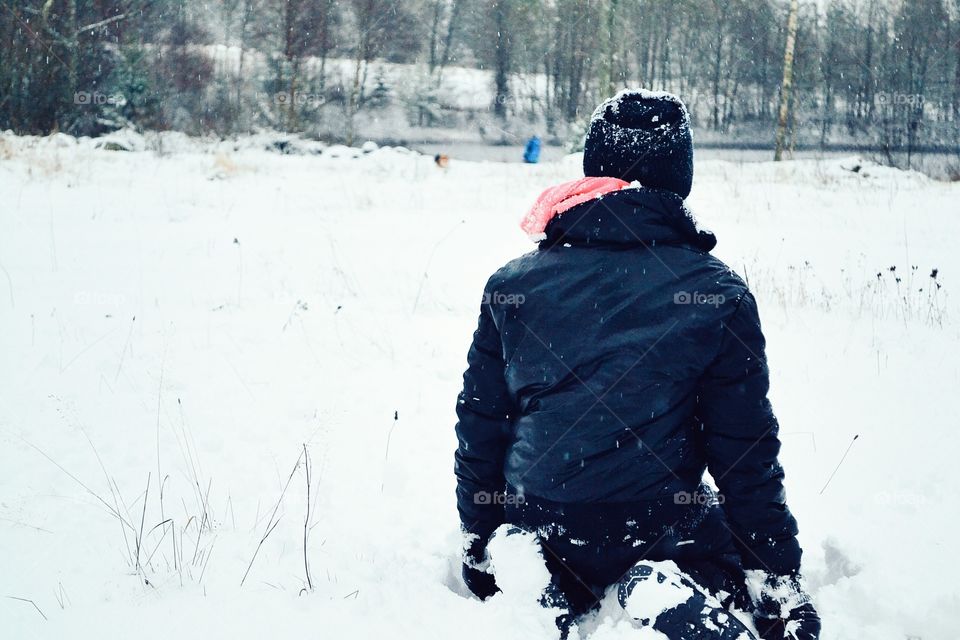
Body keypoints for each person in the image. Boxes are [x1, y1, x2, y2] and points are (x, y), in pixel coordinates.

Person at [453, 89, 820, 639]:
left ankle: (536, 581)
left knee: (528, 544)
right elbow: (742, 449)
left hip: (543, 520)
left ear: (593, 170)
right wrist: (777, 580)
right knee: (710, 542)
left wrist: (479, 540)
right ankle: (659, 581)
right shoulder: (715, 291)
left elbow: (482, 423)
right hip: (659, 524)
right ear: (678, 179)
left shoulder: (512, 285)